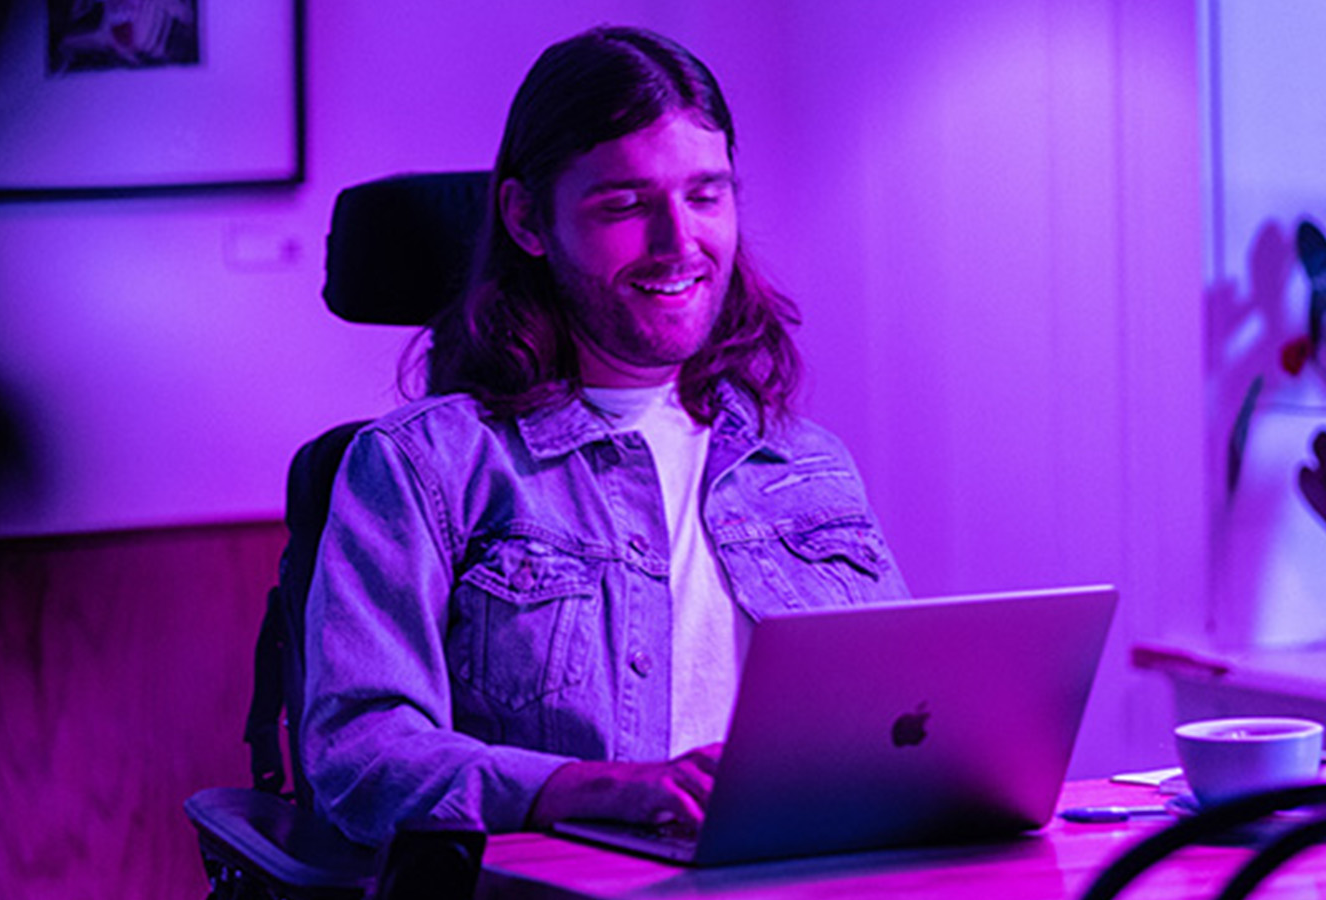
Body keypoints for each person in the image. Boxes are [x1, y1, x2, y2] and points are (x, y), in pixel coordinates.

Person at [298, 25, 912, 849]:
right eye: (624, 204)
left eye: (706, 195)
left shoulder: (802, 461)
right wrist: (594, 790)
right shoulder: (422, 466)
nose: (679, 243)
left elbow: (907, 720)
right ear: (526, 219)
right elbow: (363, 754)